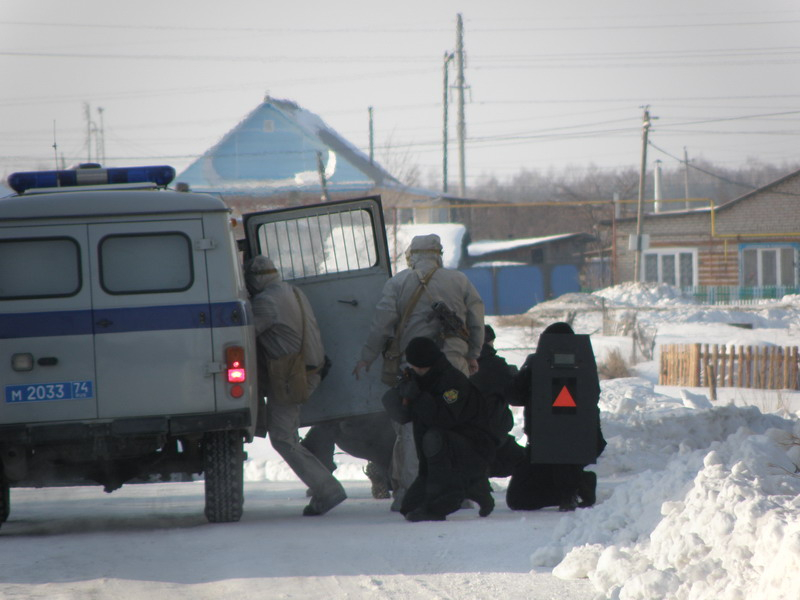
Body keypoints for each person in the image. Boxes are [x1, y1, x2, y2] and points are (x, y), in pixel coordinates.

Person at [352, 233, 485, 510]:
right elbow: (476, 319)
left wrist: (367, 357)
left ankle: (408, 494)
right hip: (453, 366)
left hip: (414, 368)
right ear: (438, 253)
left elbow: (381, 324)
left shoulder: (398, 282)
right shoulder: (458, 280)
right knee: (456, 426)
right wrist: (473, 355)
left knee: (410, 433)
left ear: (412, 255)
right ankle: (458, 493)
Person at [245, 255, 346, 516]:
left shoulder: (265, 302)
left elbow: (243, 335)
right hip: (311, 369)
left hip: (291, 376)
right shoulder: (293, 291)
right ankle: (323, 484)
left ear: (256, 279)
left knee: (283, 437)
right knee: (290, 434)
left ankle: (327, 489)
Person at [382, 337, 497, 522]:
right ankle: (474, 486)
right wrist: (401, 395)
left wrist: (419, 396)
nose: (417, 371)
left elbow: (443, 420)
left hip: (471, 448)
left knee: (434, 438)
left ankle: (450, 496)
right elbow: (405, 416)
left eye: (420, 367)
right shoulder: (420, 378)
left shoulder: (452, 382)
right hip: (435, 462)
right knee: (408, 508)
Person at [506, 322, 606, 512]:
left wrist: (522, 373)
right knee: (520, 498)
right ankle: (579, 484)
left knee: (521, 500)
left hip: (554, 445)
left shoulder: (537, 363)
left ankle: (572, 487)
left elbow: (514, 396)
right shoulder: (585, 364)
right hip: (573, 445)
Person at [469, 324, 526, 477]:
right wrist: (514, 377)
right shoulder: (494, 365)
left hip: (462, 435)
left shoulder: (457, 362)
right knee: (525, 461)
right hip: (492, 437)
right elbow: (516, 397)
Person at [300, 412, 396, 499]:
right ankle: (383, 472)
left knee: (323, 426)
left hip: (349, 432)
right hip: (379, 433)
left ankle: (322, 481)